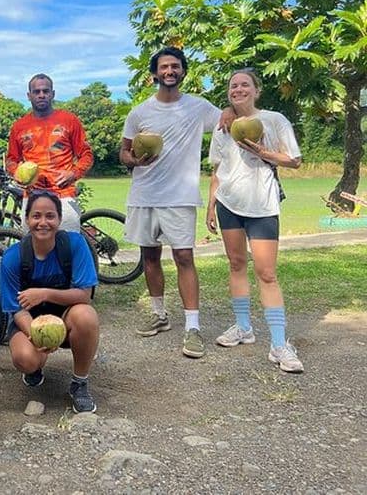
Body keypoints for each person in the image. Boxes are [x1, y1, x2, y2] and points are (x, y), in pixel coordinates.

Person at [119, 47, 224, 359]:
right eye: (163, 66)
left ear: (183, 72)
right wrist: (134, 160)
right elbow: (123, 153)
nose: (169, 71)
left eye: (175, 66)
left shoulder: (199, 107)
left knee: (183, 257)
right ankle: (159, 314)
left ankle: (192, 327)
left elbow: (228, 120)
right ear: (154, 74)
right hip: (144, 194)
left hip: (179, 196)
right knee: (149, 256)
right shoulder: (139, 113)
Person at [206, 69, 303, 373]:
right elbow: (217, 170)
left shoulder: (274, 120)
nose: (238, 89)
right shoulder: (222, 126)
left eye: (244, 85)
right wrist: (211, 206)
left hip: (262, 205)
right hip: (228, 204)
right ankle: (243, 327)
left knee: (267, 273)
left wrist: (262, 151)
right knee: (236, 265)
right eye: (233, 86)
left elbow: (295, 160)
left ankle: (278, 344)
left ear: (257, 90)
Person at [0, 190, 100, 413]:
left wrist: (44, 293)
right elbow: (16, 309)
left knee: (86, 316)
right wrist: (37, 334)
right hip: (29, 319)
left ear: (59, 220)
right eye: (36, 216)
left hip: (66, 315)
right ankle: (35, 367)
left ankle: (79, 382)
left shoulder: (74, 245)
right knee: (26, 359)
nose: (43, 222)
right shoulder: (13, 257)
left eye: (50, 216)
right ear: (26, 220)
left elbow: (84, 295)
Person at [6, 74, 94, 232]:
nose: (41, 95)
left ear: (52, 94)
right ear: (29, 95)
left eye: (45, 91)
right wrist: (16, 174)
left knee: (67, 248)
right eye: (36, 91)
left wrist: (73, 174)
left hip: (63, 195)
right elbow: (11, 160)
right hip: (32, 197)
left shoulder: (69, 120)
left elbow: (86, 155)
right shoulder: (19, 126)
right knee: (33, 250)